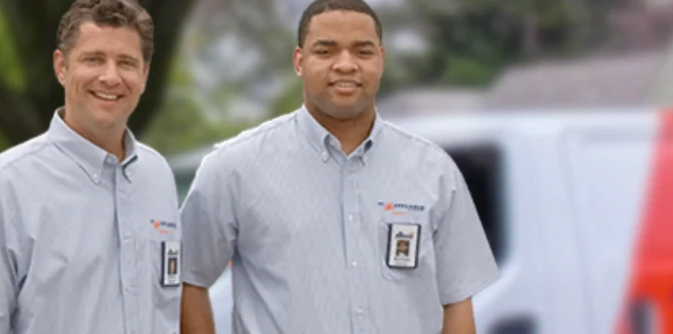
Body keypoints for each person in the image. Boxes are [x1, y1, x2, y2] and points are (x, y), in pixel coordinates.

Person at [178, 0, 499, 333]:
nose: (345, 65)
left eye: (362, 52)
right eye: (326, 51)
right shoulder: (233, 168)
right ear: (300, 61)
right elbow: (187, 278)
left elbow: (458, 299)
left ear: (381, 60)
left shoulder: (435, 172)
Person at [0, 0, 182, 333]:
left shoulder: (157, 176)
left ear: (144, 75)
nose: (110, 76)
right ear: (61, 67)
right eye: (93, 59)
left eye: (126, 63)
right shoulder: (1, 189)